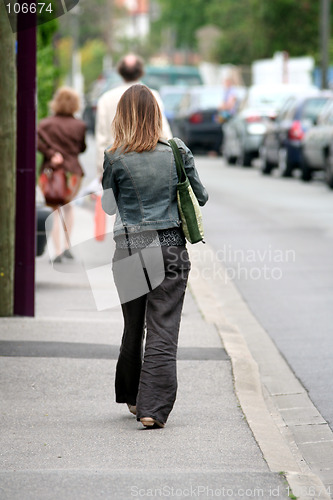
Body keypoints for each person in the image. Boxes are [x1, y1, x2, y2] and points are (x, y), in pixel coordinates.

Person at [101, 84, 208, 428]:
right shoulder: (177, 150)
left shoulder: (114, 156)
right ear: (157, 115)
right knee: (162, 328)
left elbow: (107, 206)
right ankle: (152, 408)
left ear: (123, 117)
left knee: (133, 327)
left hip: (130, 246)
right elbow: (201, 197)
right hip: (170, 245)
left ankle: (132, 396)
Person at [95, 54, 172, 178]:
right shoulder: (153, 96)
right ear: (141, 71)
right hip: (150, 166)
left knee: (116, 197)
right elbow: (164, 132)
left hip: (117, 166)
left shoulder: (106, 98)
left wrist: (101, 171)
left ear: (120, 71)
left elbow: (101, 139)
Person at [37, 87, 87, 263]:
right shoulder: (80, 125)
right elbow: (82, 148)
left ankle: (56, 250)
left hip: (50, 172)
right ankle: (67, 246)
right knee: (69, 207)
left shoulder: (45, 124)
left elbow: (36, 141)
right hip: (73, 173)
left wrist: (51, 154)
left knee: (53, 210)